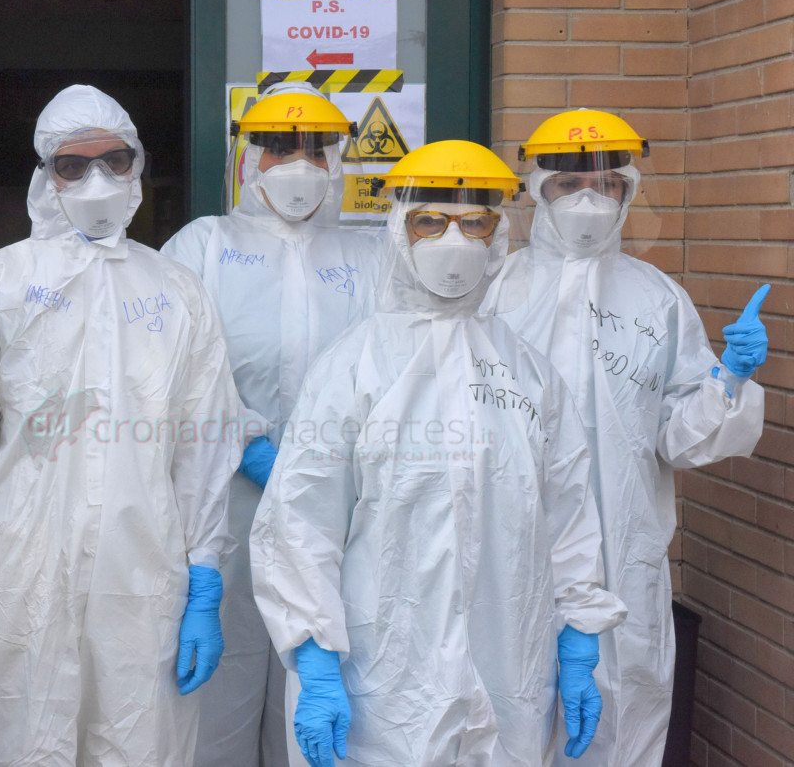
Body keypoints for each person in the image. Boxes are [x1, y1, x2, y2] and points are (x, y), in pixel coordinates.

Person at [250, 140, 628, 767]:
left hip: (510, 668)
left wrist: (580, 641)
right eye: (430, 221)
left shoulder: (528, 373)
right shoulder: (352, 368)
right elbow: (300, 526)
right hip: (383, 680)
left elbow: (568, 516)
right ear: (400, 230)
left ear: (497, 236)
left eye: (474, 222)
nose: (455, 240)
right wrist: (314, 658)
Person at [0, 85, 243, 766]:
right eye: (72, 165)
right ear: (44, 175)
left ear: (138, 166)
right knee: (16, 746)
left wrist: (204, 574)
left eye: (115, 160)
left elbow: (203, 444)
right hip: (14, 577)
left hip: (140, 579)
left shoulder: (177, 292)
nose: (96, 180)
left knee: (137, 747)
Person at [483, 110, 767, 767]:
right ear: (539, 189)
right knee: (506, 710)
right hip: (507, 539)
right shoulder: (495, 288)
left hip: (622, 553)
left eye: (606, 184)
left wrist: (728, 379)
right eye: (570, 183)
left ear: (627, 191)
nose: (588, 199)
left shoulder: (656, 298)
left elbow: (678, 439)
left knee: (623, 716)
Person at [161, 83, 383, 767]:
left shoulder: (370, 258)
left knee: (318, 690)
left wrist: (326, 468)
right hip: (221, 506)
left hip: (335, 509)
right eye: (279, 148)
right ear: (246, 156)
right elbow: (175, 371)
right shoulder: (203, 246)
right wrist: (251, 445)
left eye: (315, 149)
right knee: (216, 705)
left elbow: (391, 374)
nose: (298, 165)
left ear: (338, 160)